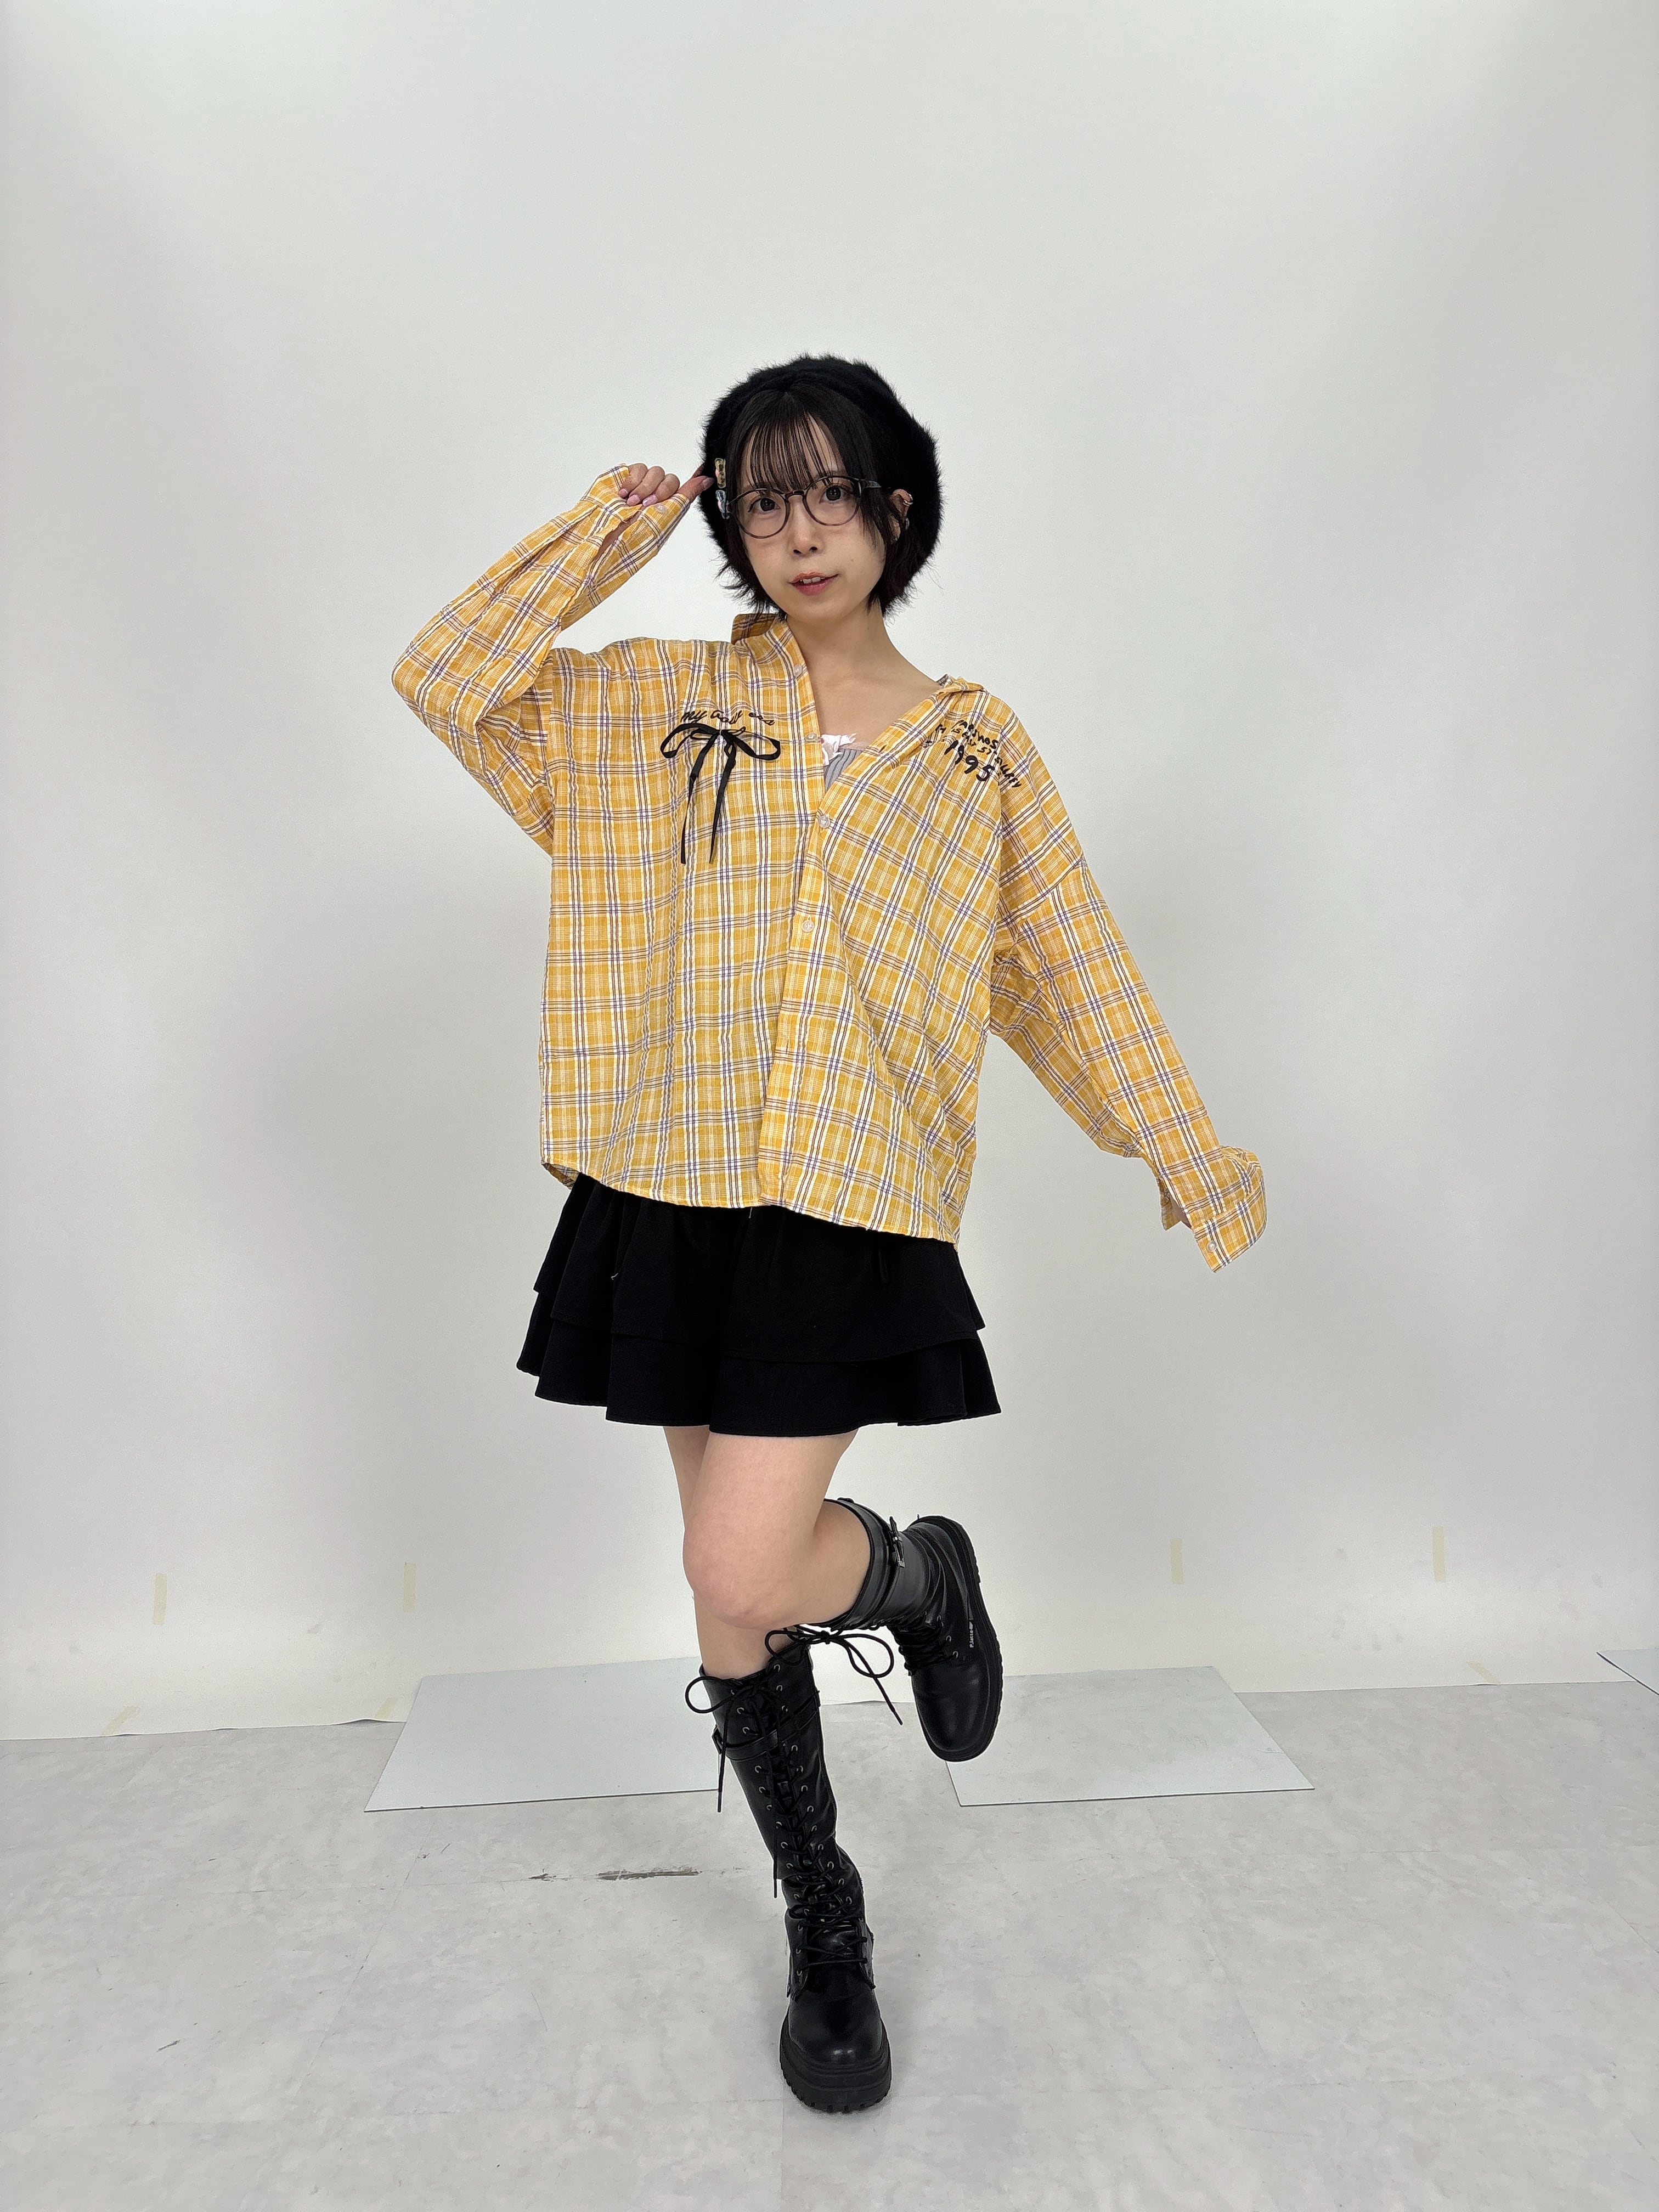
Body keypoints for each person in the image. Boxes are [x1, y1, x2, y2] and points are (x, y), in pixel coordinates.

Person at [392, 353, 1265, 2114]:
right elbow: (447, 676)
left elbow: (1066, 964)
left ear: (897, 509)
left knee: (742, 1568)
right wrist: (605, 536)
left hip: (850, 1197)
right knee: (728, 1589)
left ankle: (918, 1578)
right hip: (670, 1181)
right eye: (761, 498)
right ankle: (824, 1910)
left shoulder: (974, 749)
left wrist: (1178, 1144)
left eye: (831, 493)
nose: (798, 533)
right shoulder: (653, 703)